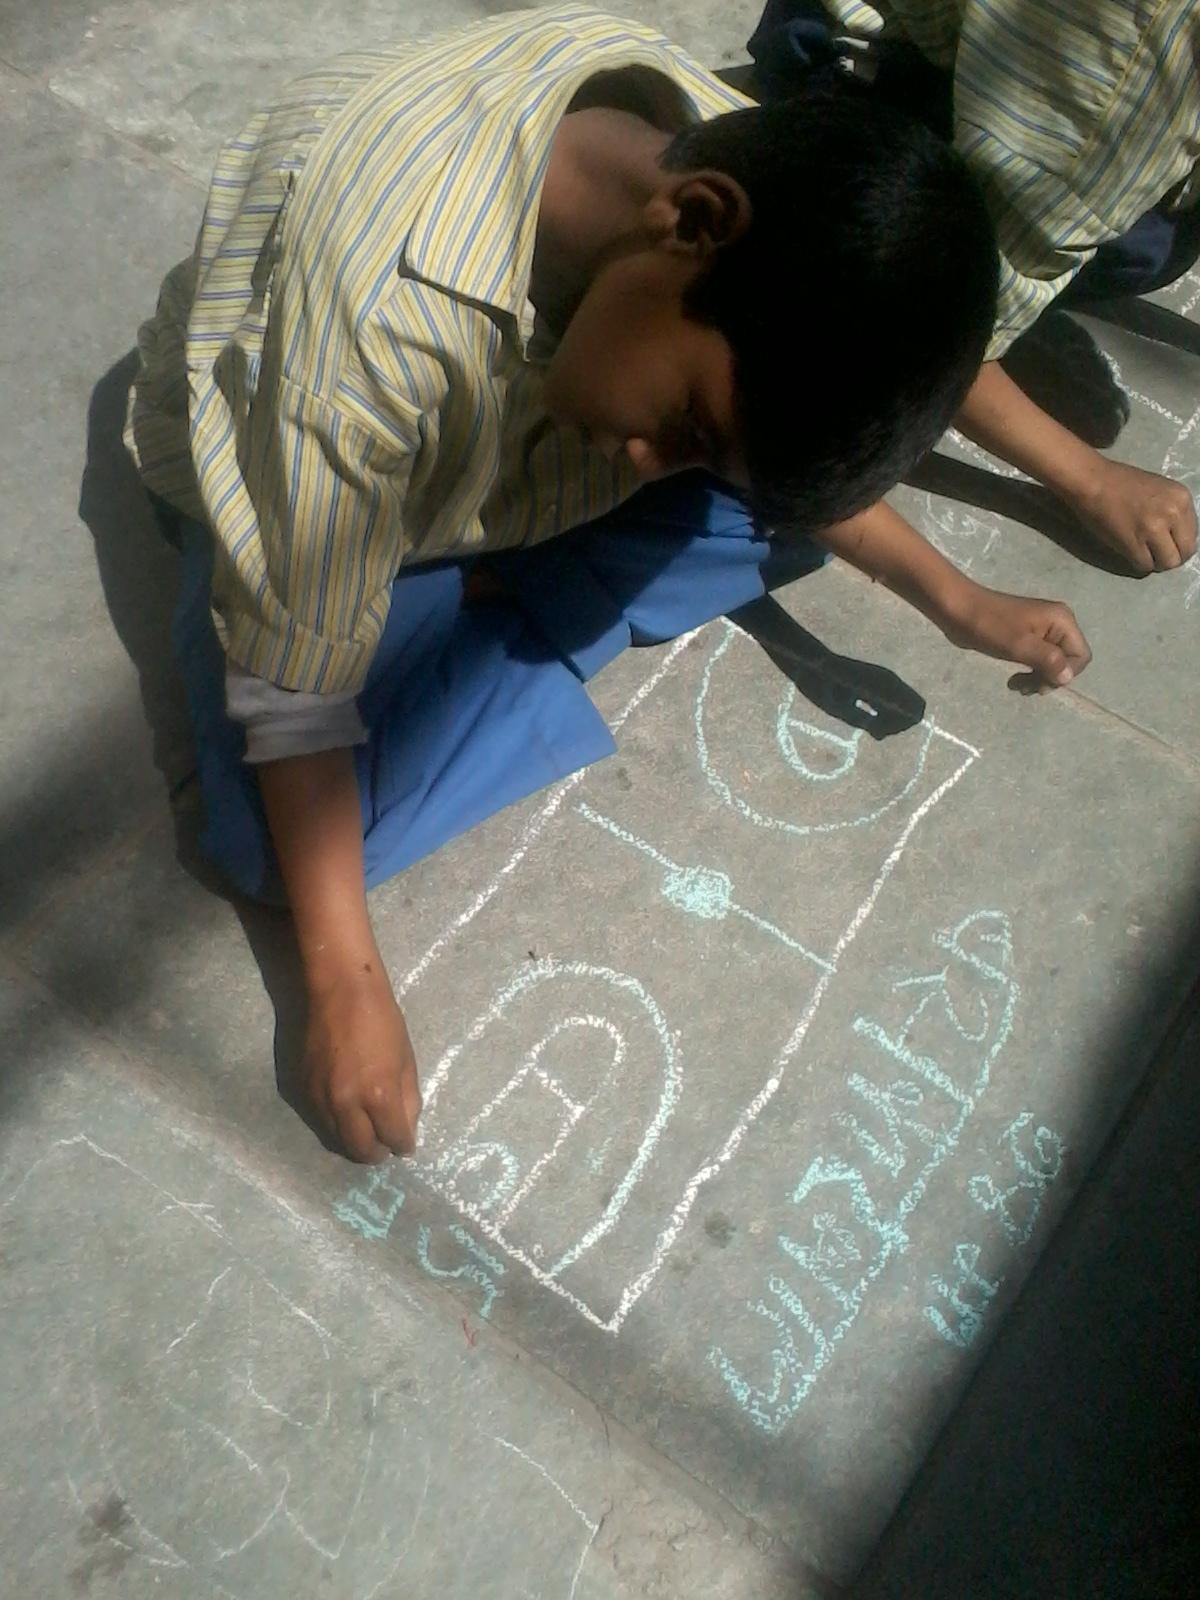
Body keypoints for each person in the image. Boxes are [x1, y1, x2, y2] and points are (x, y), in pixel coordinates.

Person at [126, 2, 1088, 1163]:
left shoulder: (733, 173)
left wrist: (957, 599)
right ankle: (502, 611)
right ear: (692, 220)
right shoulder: (373, 332)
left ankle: (497, 602)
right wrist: (340, 985)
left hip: (500, 464)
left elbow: (871, 350)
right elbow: (289, 683)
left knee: (770, 500)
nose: (658, 455)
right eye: (685, 420)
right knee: (263, 837)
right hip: (299, 482)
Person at [745, 0, 1200, 576]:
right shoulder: (1118, 98)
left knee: (1160, 234)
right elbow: (931, 328)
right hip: (837, 70)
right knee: (1141, 244)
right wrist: (1094, 482)